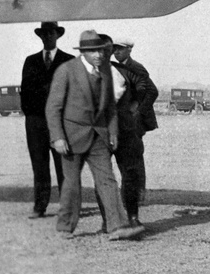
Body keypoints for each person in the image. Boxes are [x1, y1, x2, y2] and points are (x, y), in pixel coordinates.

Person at [46, 30, 143, 240]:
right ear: (83, 52)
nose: (99, 54)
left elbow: (110, 107)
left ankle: (116, 226)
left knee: (107, 180)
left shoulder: (105, 72)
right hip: (71, 137)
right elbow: (53, 107)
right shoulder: (66, 71)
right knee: (71, 183)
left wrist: (113, 133)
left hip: (98, 136)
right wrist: (58, 137)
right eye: (93, 51)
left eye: (100, 50)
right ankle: (65, 227)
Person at [18, 21, 74, 217]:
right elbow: (24, 91)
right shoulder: (30, 61)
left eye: (51, 33)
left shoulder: (69, 60)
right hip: (36, 122)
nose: (48, 37)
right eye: (44, 34)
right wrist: (31, 114)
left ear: (57, 35)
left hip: (60, 122)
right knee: (39, 164)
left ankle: (67, 207)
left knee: (63, 166)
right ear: (40, 36)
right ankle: (39, 206)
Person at [110, 36, 158, 226]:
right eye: (115, 49)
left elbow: (152, 91)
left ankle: (137, 195)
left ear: (129, 49)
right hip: (123, 120)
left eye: (121, 49)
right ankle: (134, 197)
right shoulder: (116, 67)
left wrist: (137, 112)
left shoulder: (135, 67)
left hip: (133, 122)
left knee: (134, 161)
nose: (117, 52)